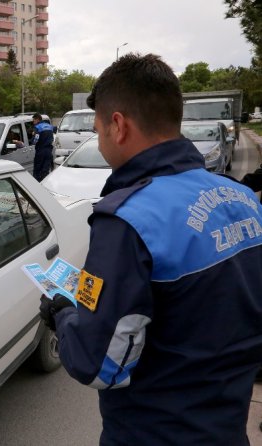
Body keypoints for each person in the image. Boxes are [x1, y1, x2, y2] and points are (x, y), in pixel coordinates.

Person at [39, 53, 262, 445]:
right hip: (228, 427)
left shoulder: (128, 221)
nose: (101, 141)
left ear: (118, 126)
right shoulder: (244, 198)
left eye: (98, 129)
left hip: (154, 432)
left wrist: (65, 317)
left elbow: (98, 365)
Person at [31, 113, 54, 181]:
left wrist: (32, 141)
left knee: (37, 171)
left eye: (34, 120)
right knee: (45, 171)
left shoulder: (37, 127)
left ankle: (37, 186)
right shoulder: (49, 126)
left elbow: (36, 139)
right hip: (49, 151)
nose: (33, 122)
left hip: (41, 151)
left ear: (37, 119)